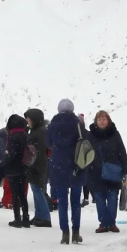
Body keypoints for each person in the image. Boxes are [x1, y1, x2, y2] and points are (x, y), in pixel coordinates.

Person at [46, 99, 87, 244]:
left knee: (62, 201)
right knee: (76, 202)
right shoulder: (78, 123)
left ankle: (65, 233)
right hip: (77, 164)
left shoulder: (52, 124)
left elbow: (48, 143)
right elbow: (84, 140)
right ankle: (76, 233)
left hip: (58, 165)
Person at [88, 111, 127, 233]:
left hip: (113, 171)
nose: (101, 121)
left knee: (112, 198)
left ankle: (111, 223)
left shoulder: (115, 134)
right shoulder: (90, 135)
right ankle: (103, 223)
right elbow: (86, 152)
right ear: (96, 121)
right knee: (99, 198)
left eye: (104, 119)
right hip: (96, 171)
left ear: (108, 120)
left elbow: (122, 151)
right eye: (99, 119)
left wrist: (125, 170)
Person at [24, 109, 52, 227]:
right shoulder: (36, 130)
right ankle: (39, 215)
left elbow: (39, 152)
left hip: (37, 166)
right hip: (35, 165)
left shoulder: (40, 132)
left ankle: (45, 217)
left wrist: (34, 165)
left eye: (29, 119)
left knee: (38, 191)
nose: (27, 121)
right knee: (36, 191)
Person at [3, 114, 31, 228]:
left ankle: (17, 219)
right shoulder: (25, 134)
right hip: (24, 168)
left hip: (14, 169)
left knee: (15, 195)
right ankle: (25, 218)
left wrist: (7, 158)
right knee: (22, 194)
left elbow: (14, 154)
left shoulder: (13, 135)